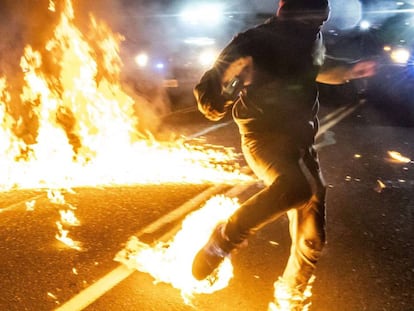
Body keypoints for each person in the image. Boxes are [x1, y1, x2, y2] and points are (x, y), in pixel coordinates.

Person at [191, 0, 376, 310]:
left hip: (300, 144)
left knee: (313, 237)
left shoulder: (310, 36)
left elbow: (315, 65)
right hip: (263, 138)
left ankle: (291, 296)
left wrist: (350, 68)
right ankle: (224, 238)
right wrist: (226, 89)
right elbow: (208, 96)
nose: (321, 15)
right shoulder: (255, 40)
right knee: (295, 189)